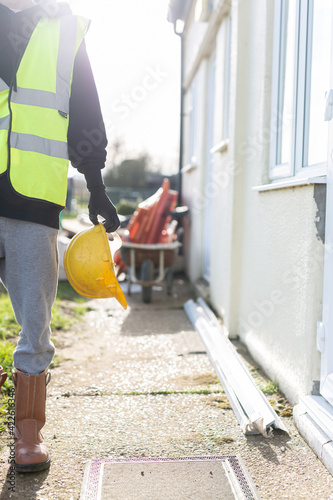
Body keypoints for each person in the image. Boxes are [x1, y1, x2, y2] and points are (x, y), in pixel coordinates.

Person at [0, 0, 120, 472]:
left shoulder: (66, 29)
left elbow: (85, 108)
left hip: (32, 196)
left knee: (35, 322)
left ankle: (28, 433)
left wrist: (97, 184)